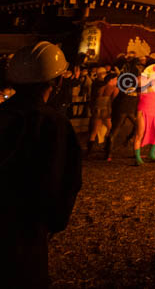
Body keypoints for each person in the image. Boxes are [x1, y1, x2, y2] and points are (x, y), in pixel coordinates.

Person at [0, 42, 82, 288]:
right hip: (26, 224)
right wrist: (56, 220)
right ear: (56, 83)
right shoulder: (53, 124)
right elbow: (63, 179)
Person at [133, 63, 155, 165]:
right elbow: (139, 90)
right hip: (143, 111)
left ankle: (152, 154)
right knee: (140, 134)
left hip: (154, 111)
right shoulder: (139, 79)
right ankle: (138, 158)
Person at [85, 73, 118, 157]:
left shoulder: (101, 88)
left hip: (97, 110)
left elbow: (96, 99)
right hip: (106, 110)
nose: (117, 81)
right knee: (111, 129)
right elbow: (114, 101)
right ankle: (107, 150)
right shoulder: (114, 89)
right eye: (115, 79)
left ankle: (89, 152)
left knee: (94, 131)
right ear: (111, 80)